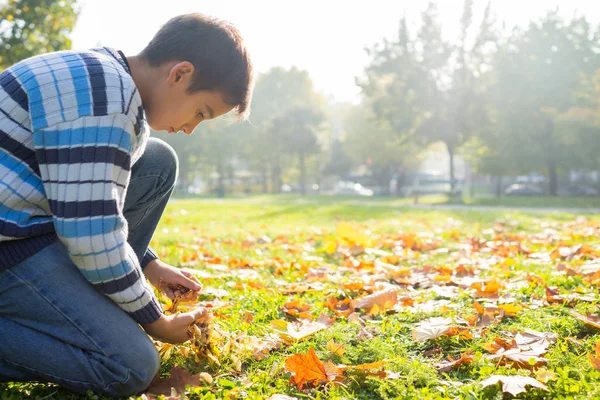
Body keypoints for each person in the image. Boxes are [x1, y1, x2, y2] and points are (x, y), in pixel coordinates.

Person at [0, 12, 254, 397]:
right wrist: (154, 320)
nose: (191, 128)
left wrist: (149, 264)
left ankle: (98, 296)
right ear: (180, 74)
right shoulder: (106, 102)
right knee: (130, 366)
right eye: (200, 112)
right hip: (11, 247)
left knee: (155, 162)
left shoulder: (107, 79)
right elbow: (88, 235)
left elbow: (92, 193)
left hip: (25, 219)